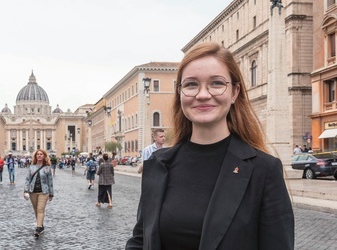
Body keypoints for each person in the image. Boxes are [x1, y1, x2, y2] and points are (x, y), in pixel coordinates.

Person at [125, 42, 294, 249]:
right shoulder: (158, 164)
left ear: (234, 92)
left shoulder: (264, 170)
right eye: (191, 85)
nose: (203, 94)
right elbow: (140, 240)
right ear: (180, 94)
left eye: (216, 83)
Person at [23, 149, 54, 238]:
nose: (39, 155)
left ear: (44, 156)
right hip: (33, 191)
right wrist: (25, 190)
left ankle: (38, 228)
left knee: (40, 209)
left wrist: (51, 193)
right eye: (38, 154)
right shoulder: (32, 167)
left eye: (41, 154)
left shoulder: (47, 168)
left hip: (43, 192)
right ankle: (41, 225)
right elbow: (27, 179)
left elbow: (50, 181)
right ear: (35, 156)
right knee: (36, 210)